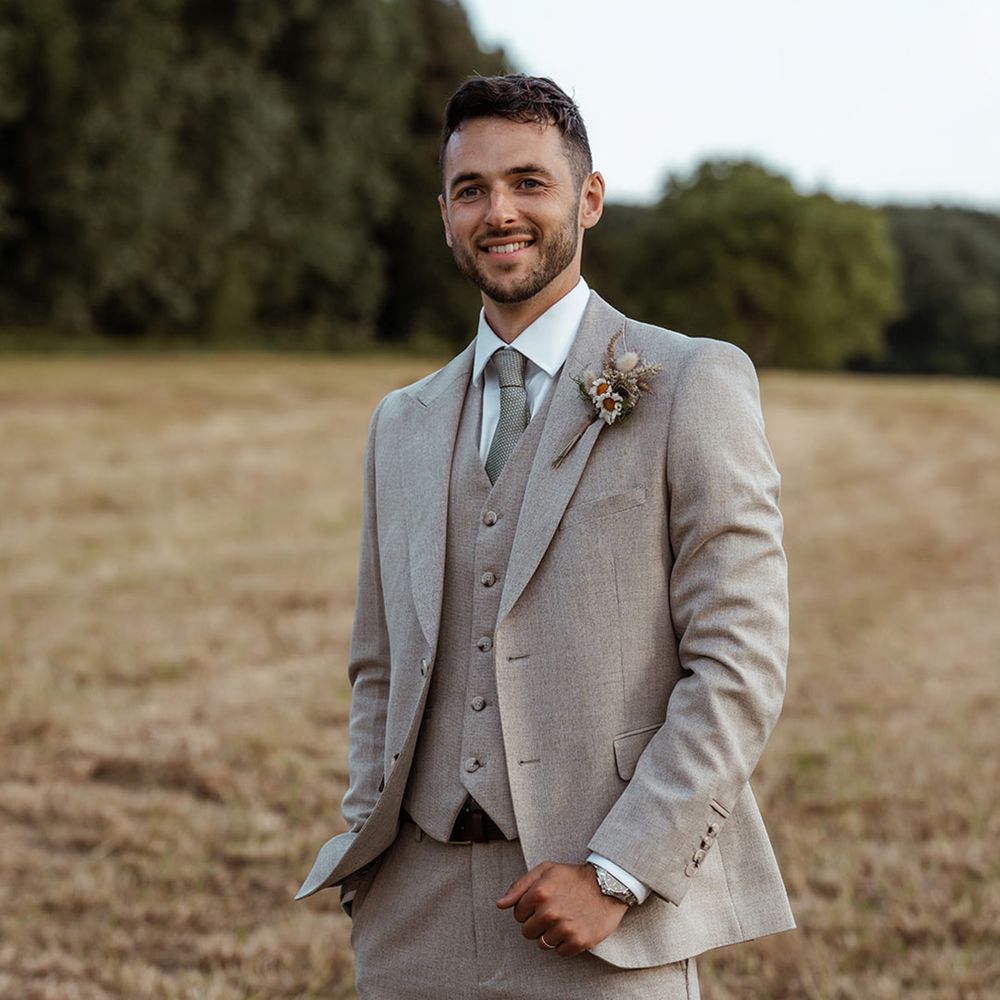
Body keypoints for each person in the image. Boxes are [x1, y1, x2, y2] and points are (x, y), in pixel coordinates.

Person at [296, 74, 794, 999]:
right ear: (444, 215)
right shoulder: (400, 423)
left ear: (588, 199)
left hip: (599, 922)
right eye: (472, 190)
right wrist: (369, 851)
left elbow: (740, 659)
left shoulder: (690, 383)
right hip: (414, 918)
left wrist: (617, 874)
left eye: (529, 181)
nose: (500, 212)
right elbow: (378, 664)